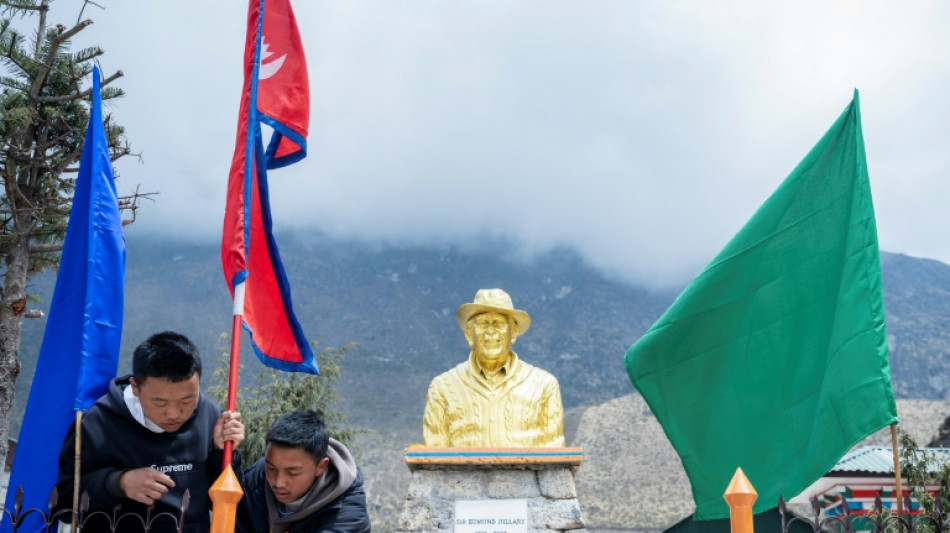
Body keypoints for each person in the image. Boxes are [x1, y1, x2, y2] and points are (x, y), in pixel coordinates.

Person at [54, 331, 245, 533]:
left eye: (187, 401)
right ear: (135, 387)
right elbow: (64, 502)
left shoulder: (212, 417)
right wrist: (118, 483)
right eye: (160, 402)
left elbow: (228, 503)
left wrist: (222, 452)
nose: (174, 414)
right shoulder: (97, 423)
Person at [422, 288, 565, 447]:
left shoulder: (544, 385)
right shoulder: (442, 387)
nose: (491, 332)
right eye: (483, 324)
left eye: (498, 324)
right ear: (469, 334)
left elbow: (553, 451)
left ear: (513, 332)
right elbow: (434, 454)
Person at [236, 410, 370, 533]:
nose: (279, 482)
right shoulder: (254, 479)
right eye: (272, 468)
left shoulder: (347, 510)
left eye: (292, 472)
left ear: (321, 467)